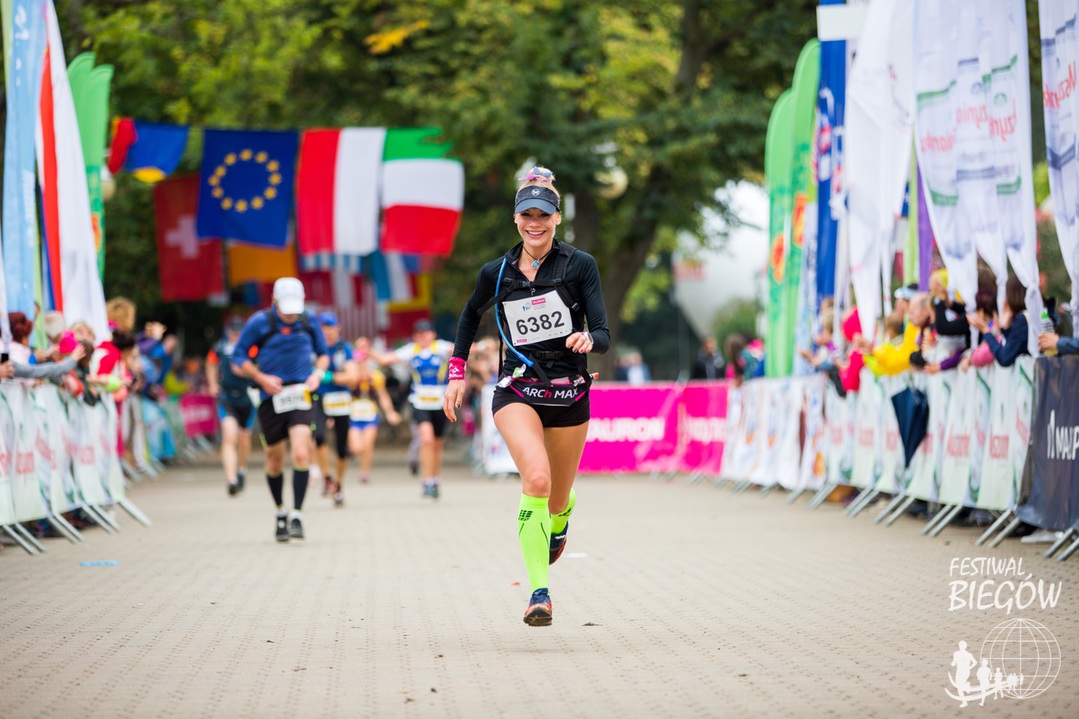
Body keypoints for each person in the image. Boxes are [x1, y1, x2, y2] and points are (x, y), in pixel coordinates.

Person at [443, 166, 610, 626]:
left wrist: (588, 340)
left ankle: (561, 517)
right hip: (517, 389)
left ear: (557, 218)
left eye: (543, 215)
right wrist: (456, 372)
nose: (535, 223)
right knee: (536, 480)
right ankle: (540, 594)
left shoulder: (580, 265)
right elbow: (468, 317)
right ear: (516, 219)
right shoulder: (496, 273)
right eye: (527, 215)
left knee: (556, 499)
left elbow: (603, 332)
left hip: (569, 393)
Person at [232, 278, 329, 542]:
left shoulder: (309, 320)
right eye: (286, 310)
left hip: (301, 393)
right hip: (270, 396)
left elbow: (323, 353)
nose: (291, 315)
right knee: (274, 460)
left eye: (295, 309)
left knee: (301, 452)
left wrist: (317, 374)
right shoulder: (259, 322)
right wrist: (261, 378)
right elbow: (238, 356)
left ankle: (297, 515)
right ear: (275, 302)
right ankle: (280, 512)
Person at [374, 319, 455, 499]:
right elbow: (385, 359)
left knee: (437, 444)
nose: (422, 337)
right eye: (419, 334)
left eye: (426, 333)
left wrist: (485, 346)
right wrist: (368, 352)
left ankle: (435, 478)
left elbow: (465, 350)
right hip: (419, 402)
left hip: (441, 403)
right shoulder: (411, 350)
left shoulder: (441, 347)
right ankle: (426, 481)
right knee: (426, 439)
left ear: (433, 334)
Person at [207, 316, 257, 496]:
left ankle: (242, 469)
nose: (235, 335)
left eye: (238, 332)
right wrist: (212, 383)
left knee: (244, 438)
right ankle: (231, 479)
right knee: (230, 436)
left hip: (247, 397)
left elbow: (260, 368)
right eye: (232, 331)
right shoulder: (220, 347)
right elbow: (210, 363)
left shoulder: (251, 348)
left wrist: (247, 371)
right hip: (227, 397)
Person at [314, 312, 359, 506]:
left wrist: (329, 377)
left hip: (340, 400)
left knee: (342, 447)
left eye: (330, 327)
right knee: (318, 436)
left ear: (337, 328)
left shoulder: (344, 348)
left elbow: (352, 376)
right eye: (323, 328)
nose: (327, 332)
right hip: (319, 398)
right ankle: (326, 477)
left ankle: (338, 484)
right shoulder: (315, 348)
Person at [347, 343, 402, 487]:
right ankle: (353, 455)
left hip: (370, 415)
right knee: (356, 448)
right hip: (354, 415)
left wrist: (390, 412)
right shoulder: (351, 376)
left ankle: (364, 473)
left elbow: (383, 396)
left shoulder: (375, 376)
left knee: (367, 445)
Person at [968, 274, 1029, 368]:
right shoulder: (1023, 318)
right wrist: (1006, 329)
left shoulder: (1022, 319)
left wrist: (986, 331)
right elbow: (1012, 347)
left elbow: (1004, 357)